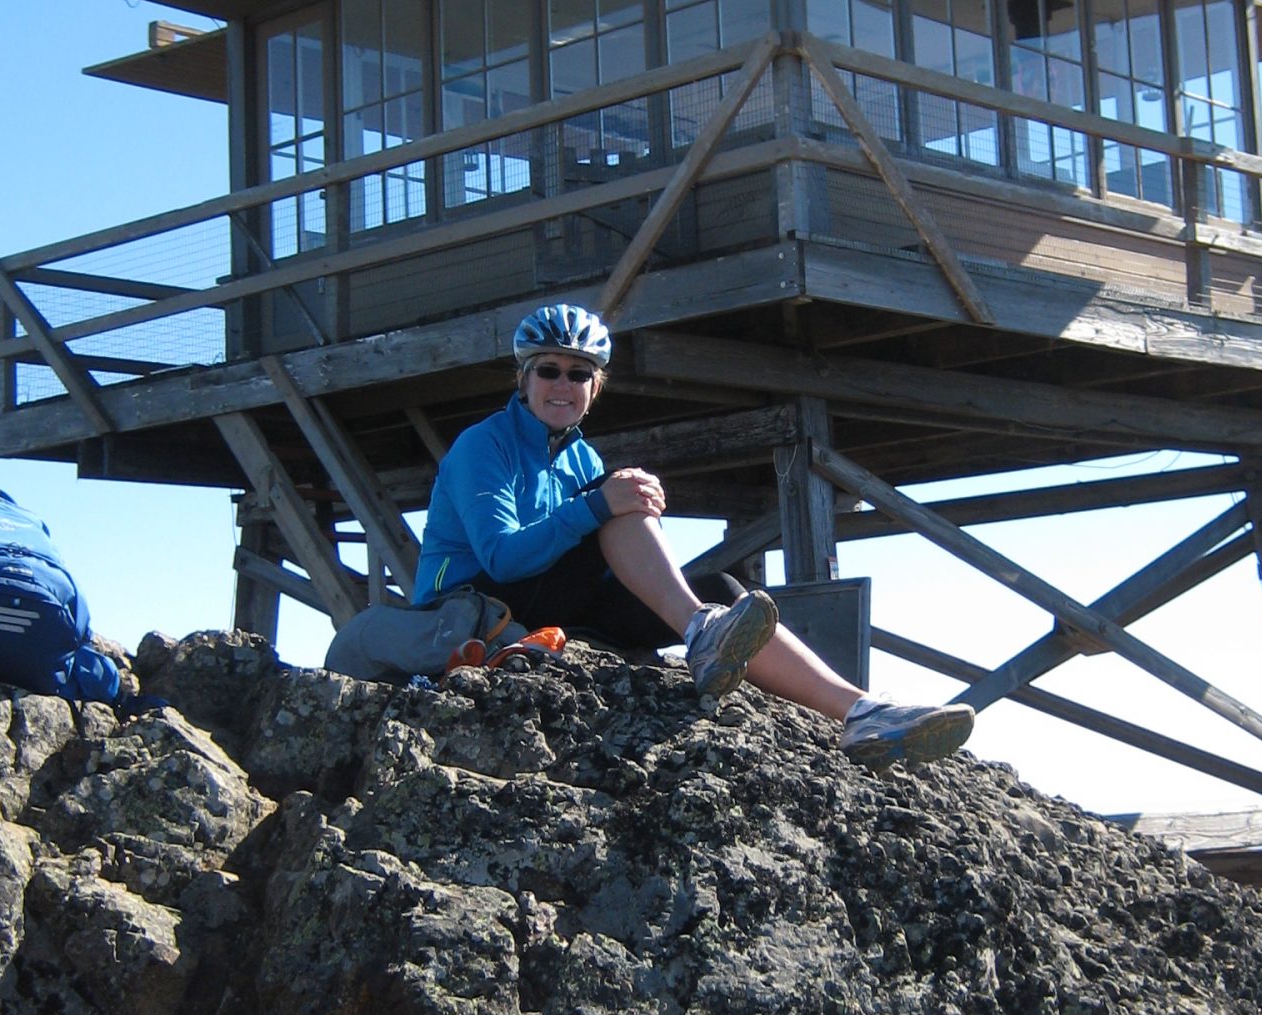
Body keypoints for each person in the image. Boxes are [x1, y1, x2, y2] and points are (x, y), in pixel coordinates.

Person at [412, 302, 974, 771]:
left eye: (579, 374)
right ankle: (701, 631)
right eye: (548, 370)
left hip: (549, 601)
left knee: (724, 590)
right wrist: (603, 504)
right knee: (617, 493)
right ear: (524, 378)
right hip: (475, 608)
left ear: (596, 386)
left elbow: (584, 548)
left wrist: (614, 506)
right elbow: (502, 558)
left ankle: (860, 712)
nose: (563, 384)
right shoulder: (483, 445)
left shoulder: (582, 457)